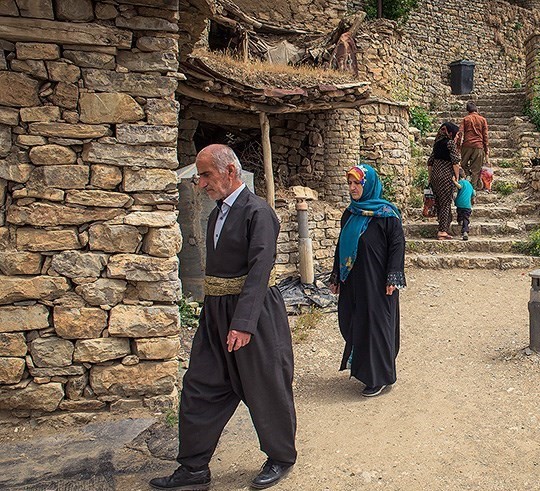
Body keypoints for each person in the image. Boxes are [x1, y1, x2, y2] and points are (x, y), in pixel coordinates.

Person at [150, 144, 297, 491]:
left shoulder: (258, 213)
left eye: (206, 175)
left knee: (265, 386)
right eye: (200, 176)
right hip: (215, 313)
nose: (201, 183)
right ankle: (194, 468)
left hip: (253, 315)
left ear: (230, 172)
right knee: (200, 386)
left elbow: (260, 269)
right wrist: (214, 316)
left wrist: (244, 323)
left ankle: (280, 456)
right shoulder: (218, 213)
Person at [328, 164, 405, 397]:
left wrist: (393, 275)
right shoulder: (350, 214)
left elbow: (397, 245)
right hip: (354, 281)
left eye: (356, 183)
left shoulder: (386, 214)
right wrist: (335, 275)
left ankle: (380, 376)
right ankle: (364, 371)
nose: (352, 188)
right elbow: (341, 246)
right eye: (349, 183)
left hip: (378, 282)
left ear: (368, 184)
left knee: (377, 325)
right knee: (357, 322)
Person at [427, 122, 461, 240]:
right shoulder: (450, 144)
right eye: (456, 134)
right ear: (451, 133)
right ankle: (442, 231)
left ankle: (443, 227)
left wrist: (430, 177)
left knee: (440, 203)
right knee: (446, 203)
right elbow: (455, 162)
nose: (457, 137)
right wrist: (457, 177)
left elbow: (430, 162)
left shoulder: (437, 144)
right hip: (446, 177)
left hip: (435, 176)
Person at [458, 102, 489, 191]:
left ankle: (468, 176)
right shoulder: (483, 120)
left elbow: (460, 133)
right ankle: (472, 189)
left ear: (468, 111)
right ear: (476, 110)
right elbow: (485, 136)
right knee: (476, 169)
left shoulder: (465, 119)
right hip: (478, 146)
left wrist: (458, 146)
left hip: (466, 145)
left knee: (463, 164)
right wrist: (486, 149)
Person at [452, 168, 476, 241]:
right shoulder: (470, 185)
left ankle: (460, 221)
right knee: (466, 218)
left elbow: (459, 186)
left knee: (459, 213)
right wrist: (473, 201)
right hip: (467, 205)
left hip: (459, 204)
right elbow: (473, 194)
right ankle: (465, 231)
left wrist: (454, 181)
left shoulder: (461, 182)